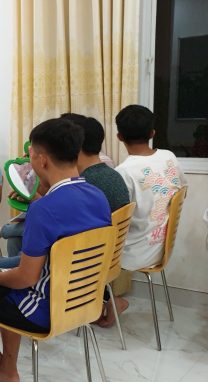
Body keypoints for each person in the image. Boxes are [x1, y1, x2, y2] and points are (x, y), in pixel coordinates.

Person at [0, 118, 111, 382]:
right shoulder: (98, 196)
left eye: (31, 156)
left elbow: (25, 279)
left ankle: (1, 366)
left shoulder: (43, 210)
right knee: (6, 284)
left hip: (45, 310)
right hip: (84, 302)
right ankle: (6, 367)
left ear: (42, 160)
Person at [63, 112, 131, 327]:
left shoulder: (85, 184)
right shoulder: (111, 174)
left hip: (89, 261)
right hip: (109, 256)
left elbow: (61, 229)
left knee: (21, 253)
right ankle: (104, 301)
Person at [114, 105, 186, 270]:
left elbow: (117, 219)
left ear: (119, 136)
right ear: (152, 133)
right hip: (162, 248)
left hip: (132, 256)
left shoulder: (123, 172)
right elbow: (184, 190)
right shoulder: (169, 157)